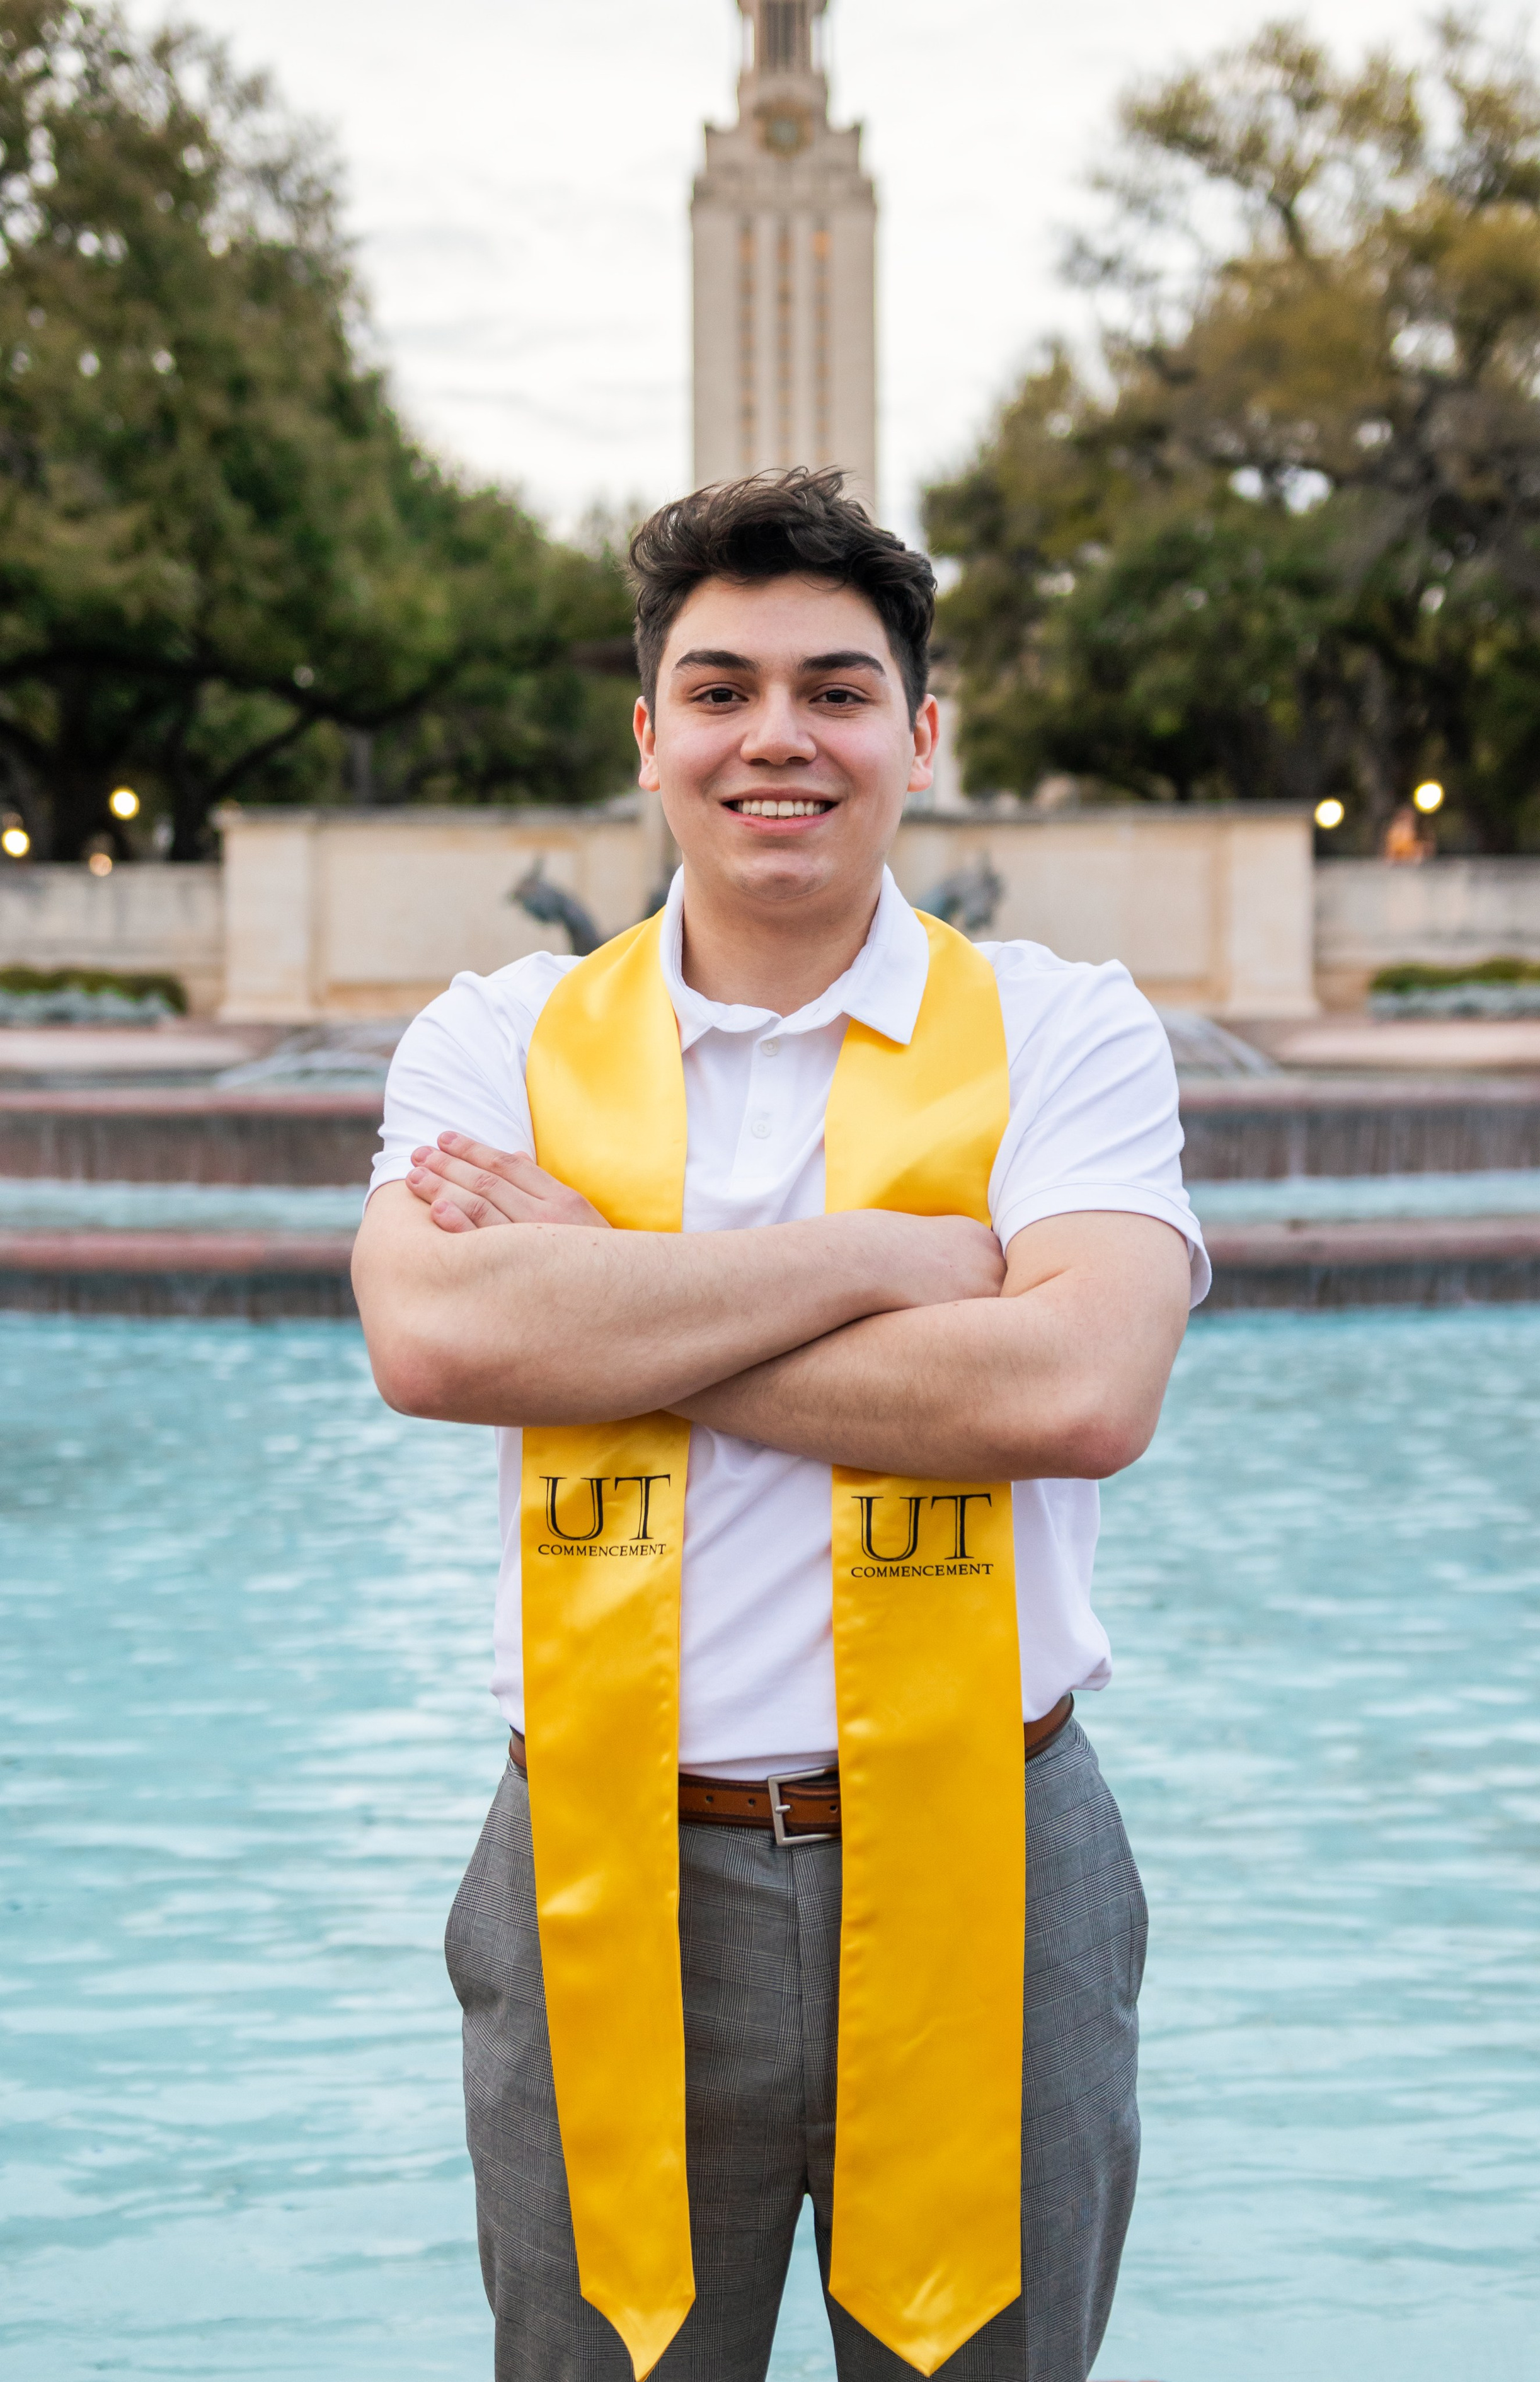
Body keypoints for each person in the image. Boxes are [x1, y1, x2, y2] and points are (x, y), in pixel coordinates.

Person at [353, 468, 1210, 2382]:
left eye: (835, 688)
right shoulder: (500, 1036)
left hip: (998, 1845)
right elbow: (429, 1337)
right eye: (721, 687)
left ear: (922, 731)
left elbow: (1076, 1388)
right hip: (600, 1845)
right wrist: (891, 1263)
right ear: (649, 733)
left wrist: (599, 1308)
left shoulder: (1066, 1027)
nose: (778, 738)